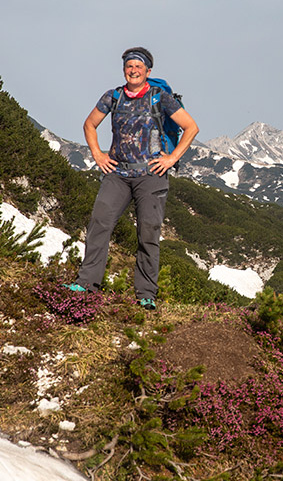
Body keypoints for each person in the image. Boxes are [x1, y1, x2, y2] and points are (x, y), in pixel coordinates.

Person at [69, 47, 199, 310]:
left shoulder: (159, 98)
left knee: (148, 233)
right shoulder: (113, 96)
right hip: (117, 173)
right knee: (99, 224)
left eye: (139, 66)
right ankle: (86, 284)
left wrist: (171, 159)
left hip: (151, 175)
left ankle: (146, 294)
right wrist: (98, 154)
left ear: (148, 71)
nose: (133, 70)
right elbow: (89, 124)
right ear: (124, 69)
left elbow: (191, 127)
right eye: (129, 66)